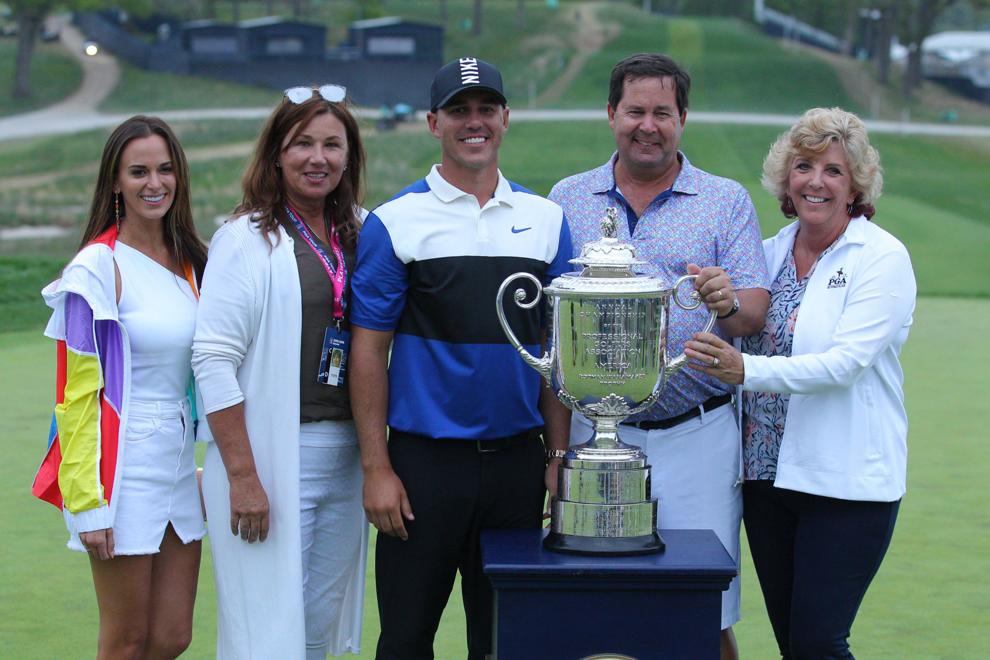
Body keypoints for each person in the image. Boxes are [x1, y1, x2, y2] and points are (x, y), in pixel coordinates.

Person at [548, 53, 770, 659]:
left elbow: (751, 311)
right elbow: (553, 337)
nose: (649, 125)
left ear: (684, 118)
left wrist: (726, 303)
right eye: (636, 111)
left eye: (663, 113)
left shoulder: (723, 200)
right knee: (592, 603)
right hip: (595, 436)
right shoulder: (566, 198)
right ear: (611, 114)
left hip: (695, 434)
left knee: (704, 608)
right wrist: (557, 452)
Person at [349, 56, 573, 659]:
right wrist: (377, 468)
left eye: (485, 110)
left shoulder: (546, 222)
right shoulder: (395, 223)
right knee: (405, 640)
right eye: (458, 111)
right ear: (432, 122)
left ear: (505, 117)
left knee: (503, 642)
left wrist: (557, 458)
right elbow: (369, 350)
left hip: (515, 467)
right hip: (423, 467)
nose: (473, 122)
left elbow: (555, 355)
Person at [684, 107, 916, 659]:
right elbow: (740, 322)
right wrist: (714, 296)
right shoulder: (766, 254)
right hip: (767, 480)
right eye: (804, 166)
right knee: (794, 642)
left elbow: (845, 364)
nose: (816, 182)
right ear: (786, 178)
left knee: (818, 642)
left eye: (834, 170)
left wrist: (747, 370)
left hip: (845, 483)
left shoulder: (881, 258)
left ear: (855, 185)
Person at [192, 85, 368, 659]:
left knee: (316, 625)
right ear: (276, 154)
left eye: (332, 145)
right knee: (267, 631)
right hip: (270, 456)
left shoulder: (363, 232)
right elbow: (213, 359)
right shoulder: (245, 239)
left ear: (349, 156)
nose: (319, 158)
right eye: (302, 144)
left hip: (348, 455)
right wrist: (243, 477)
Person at [32, 115, 207, 658]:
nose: (154, 183)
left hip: (178, 461)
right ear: (115, 181)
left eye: (164, 169)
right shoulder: (94, 269)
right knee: (126, 642)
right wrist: (89, 504)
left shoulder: (191, 262)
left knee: (172, 636)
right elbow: (77, 395)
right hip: (119, 472)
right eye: (138, 172)